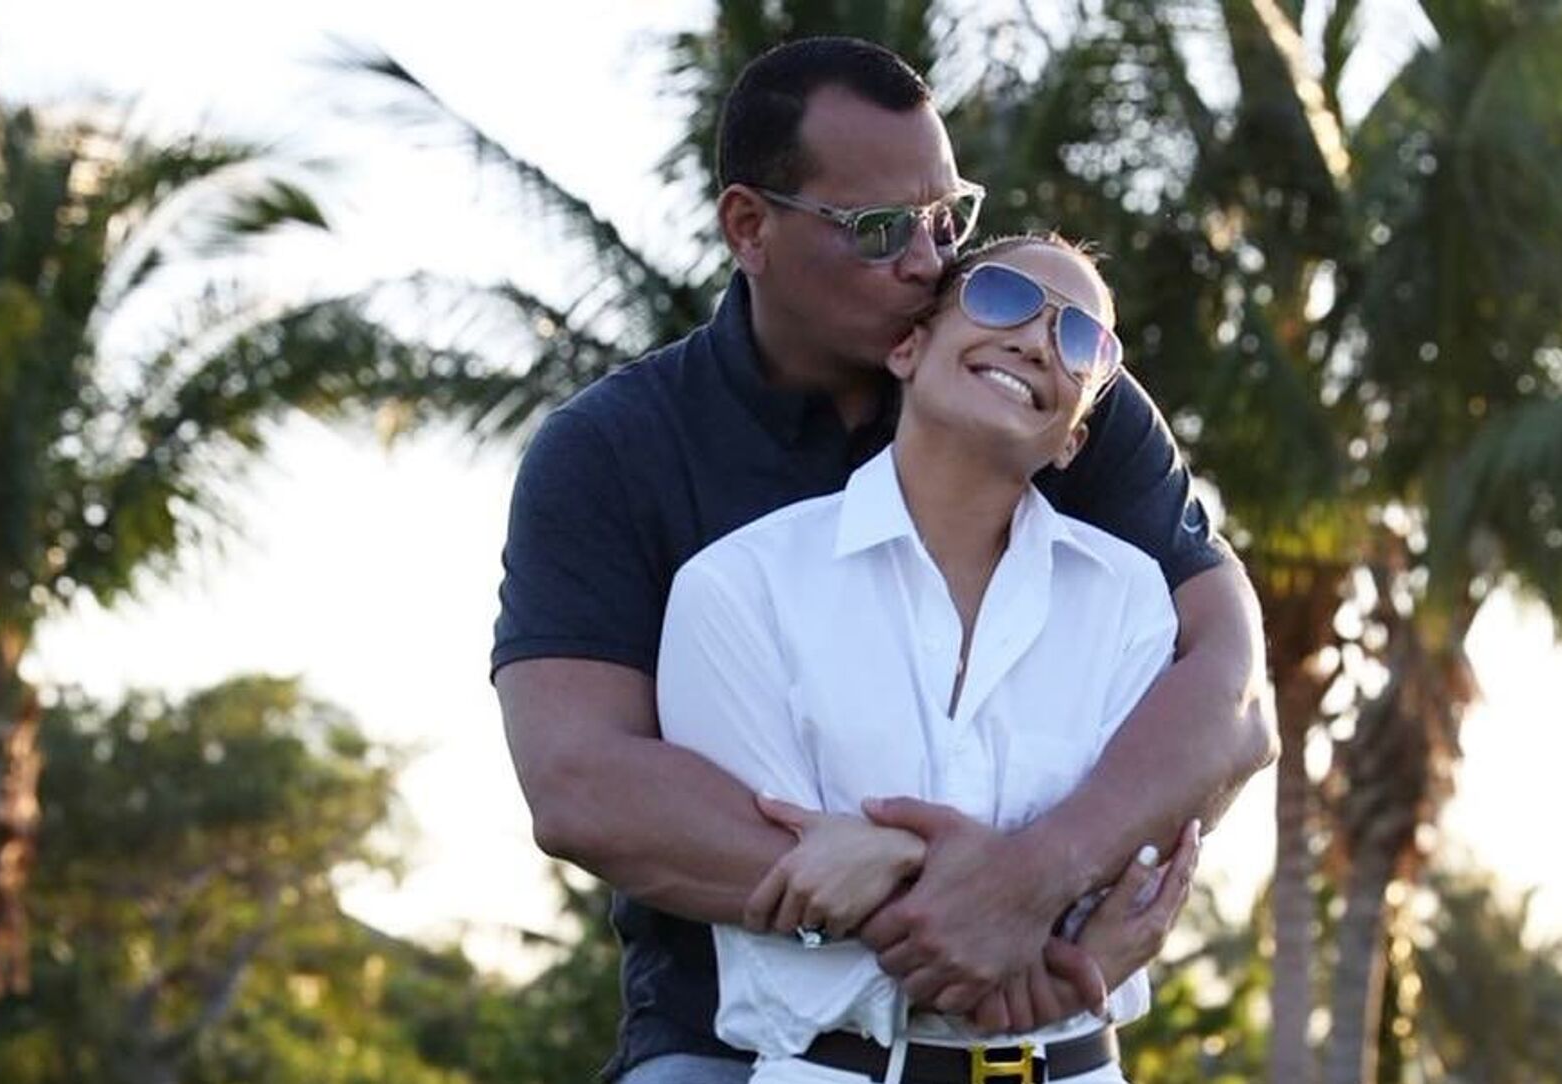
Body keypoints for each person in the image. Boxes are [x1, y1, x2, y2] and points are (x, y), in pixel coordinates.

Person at [492, 36, 1274, 1084]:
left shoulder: (1049, 382)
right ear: (749, 227)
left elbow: (1231, 692)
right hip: (731, 1036)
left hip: (1043, 1029)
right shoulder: (614, 451)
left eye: (949, 219)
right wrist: (944, 897)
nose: (927, 260)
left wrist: (1036, 880)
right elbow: (581, 782)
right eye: (878, 229)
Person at [658, 233, 1196, 1083]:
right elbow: (794, 876)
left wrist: (888, 853)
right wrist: (1029, 912)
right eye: (1003, 298)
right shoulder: (739, 587)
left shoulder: (1130, 597)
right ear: (907, 349)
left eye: (1081, 339)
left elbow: (1135, 880)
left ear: (1073, 439)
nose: (1036, 341)